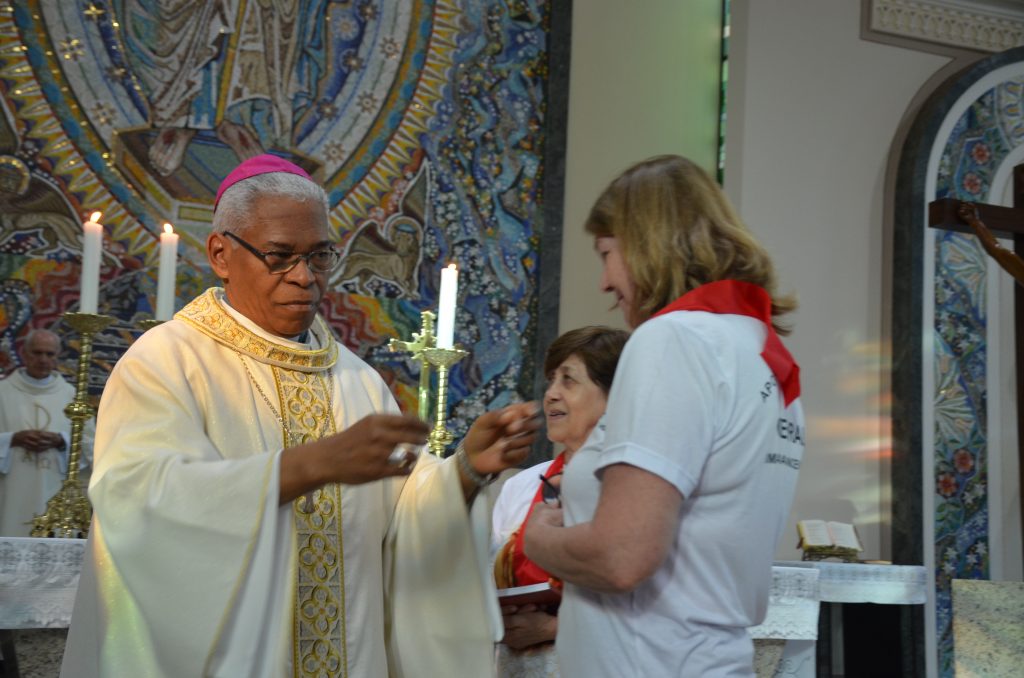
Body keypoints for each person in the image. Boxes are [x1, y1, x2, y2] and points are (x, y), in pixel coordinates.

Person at [61, 154, 540, 677]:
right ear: (221, 254)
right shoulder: (167, 360)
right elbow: (139, 501)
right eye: (279, 256)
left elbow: (403, 522)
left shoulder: (357, 381)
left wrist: (466, 469)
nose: (304, 278)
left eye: (319, 257)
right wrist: (311, 466)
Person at [524, 155, 805, 677]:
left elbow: (621, 556)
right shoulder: (762, 353)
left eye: (607, 253)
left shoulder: (674, 340)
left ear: (648, 243)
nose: (606, 281)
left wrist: (538, 540)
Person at [491, 325, 628, 677]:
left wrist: (553, 628)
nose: (550, 394)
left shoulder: (635, 487)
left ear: (615, 396)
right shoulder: (519, 486)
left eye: (568, 381)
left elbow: (654, 597)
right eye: (551, 380)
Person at [0, 330, 77, 536]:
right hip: (9, 491)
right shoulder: (3, 392)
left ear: (57, 357)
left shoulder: (70, 395)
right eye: (37, 353)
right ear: (24, 354)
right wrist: (12, 439)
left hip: (54, 489)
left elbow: (90, 443)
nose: (43, 359)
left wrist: (61, 440)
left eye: (50, 354)